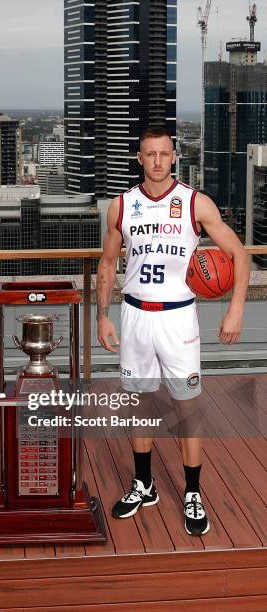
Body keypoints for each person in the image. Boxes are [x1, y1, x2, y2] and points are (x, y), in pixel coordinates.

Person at [96, 126, 249, 536]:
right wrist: (102, 315)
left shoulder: (196, 203)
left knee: (187, 407)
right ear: (140, 158)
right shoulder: (122, 206)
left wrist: (236, 309)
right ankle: (144, 483)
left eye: (164, 153)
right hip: (134, 315)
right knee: (140, 404)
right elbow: (108, 264)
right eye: (150, 154)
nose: (158, 161)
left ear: (174, 157)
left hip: (179, 317)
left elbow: (239, 254)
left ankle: (193, 491)